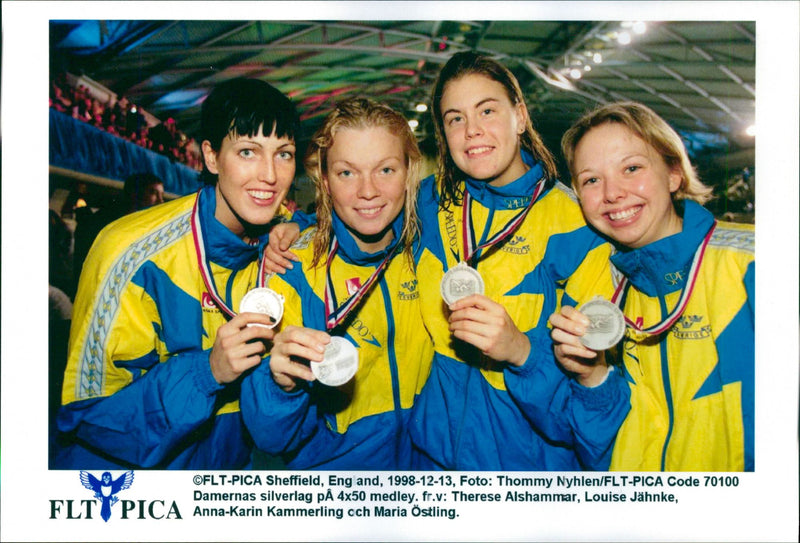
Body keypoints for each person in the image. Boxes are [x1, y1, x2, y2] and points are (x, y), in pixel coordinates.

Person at [56, 78, 311, 469]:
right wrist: (206, 373)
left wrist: (303, 223)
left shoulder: (281, 243)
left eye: (284, 154)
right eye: (248, 151)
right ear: (211, 157)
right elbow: (89, 419)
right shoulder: (130, 253)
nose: (270, 175)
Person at [408, 51, 630, 470]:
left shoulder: (577, 225)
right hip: (432, 464)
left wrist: (521, 351)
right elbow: (358, 214)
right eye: (455, 118)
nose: (472, 131)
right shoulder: (427, 202)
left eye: (487, 110)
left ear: (520, 116)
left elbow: (591, 414)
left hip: (525, 471)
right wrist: (290, 229)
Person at [554, 101, 754, 471]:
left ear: (674, 173)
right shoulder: (598, 289)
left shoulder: (751, 267)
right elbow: (601, 451)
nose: (612, 193)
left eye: (631, 168)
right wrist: (593, 377)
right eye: (591, 180)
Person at [240, 97, 433, 469]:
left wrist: (305, 220)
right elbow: (269, 437)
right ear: (325, 181)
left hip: (427, 481)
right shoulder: (291, 270)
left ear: (410, 172)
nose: (368, 191)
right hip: (336, 487)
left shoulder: (432, 245)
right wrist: (280, 386)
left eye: (386, 170)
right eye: (347, 173)